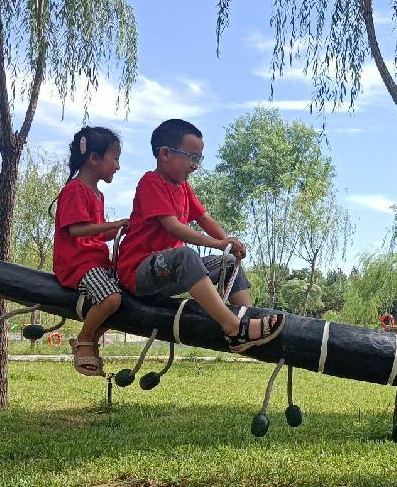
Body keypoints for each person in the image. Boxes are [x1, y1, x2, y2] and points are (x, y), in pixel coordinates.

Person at [115, 118, 285, 352]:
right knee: (185, 255)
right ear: (165, 154)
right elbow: (173, 226)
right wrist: (218, 243)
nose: (195, 165)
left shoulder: (183, 188)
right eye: (192, 157)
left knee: (228, 261)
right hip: (138, 273)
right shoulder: (150, 183)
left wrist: (229, 245)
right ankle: (234, 329)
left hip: (166, 273)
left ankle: (249, 318)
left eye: (199, 159)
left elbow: (204, 218)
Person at [52, 127, 130, 376]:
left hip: (96, 262)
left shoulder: (98, 195)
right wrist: (114, 225)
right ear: (94, 158)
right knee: (112, 298)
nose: (117, 166)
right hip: (77, 264)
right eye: (115, 158)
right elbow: (77, 230)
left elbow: (96, 232)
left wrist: (124, 228)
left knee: (128, 291)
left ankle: (91, 339)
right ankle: (85, 339)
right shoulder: (75, 190)